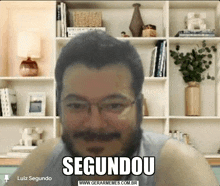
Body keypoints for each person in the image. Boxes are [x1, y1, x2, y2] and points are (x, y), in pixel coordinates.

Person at [6, 31, 218, 186]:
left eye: (114, 105)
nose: (95, 124)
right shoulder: (45, 160)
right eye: (77, 105)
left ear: (138, 109)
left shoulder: (178, 164)